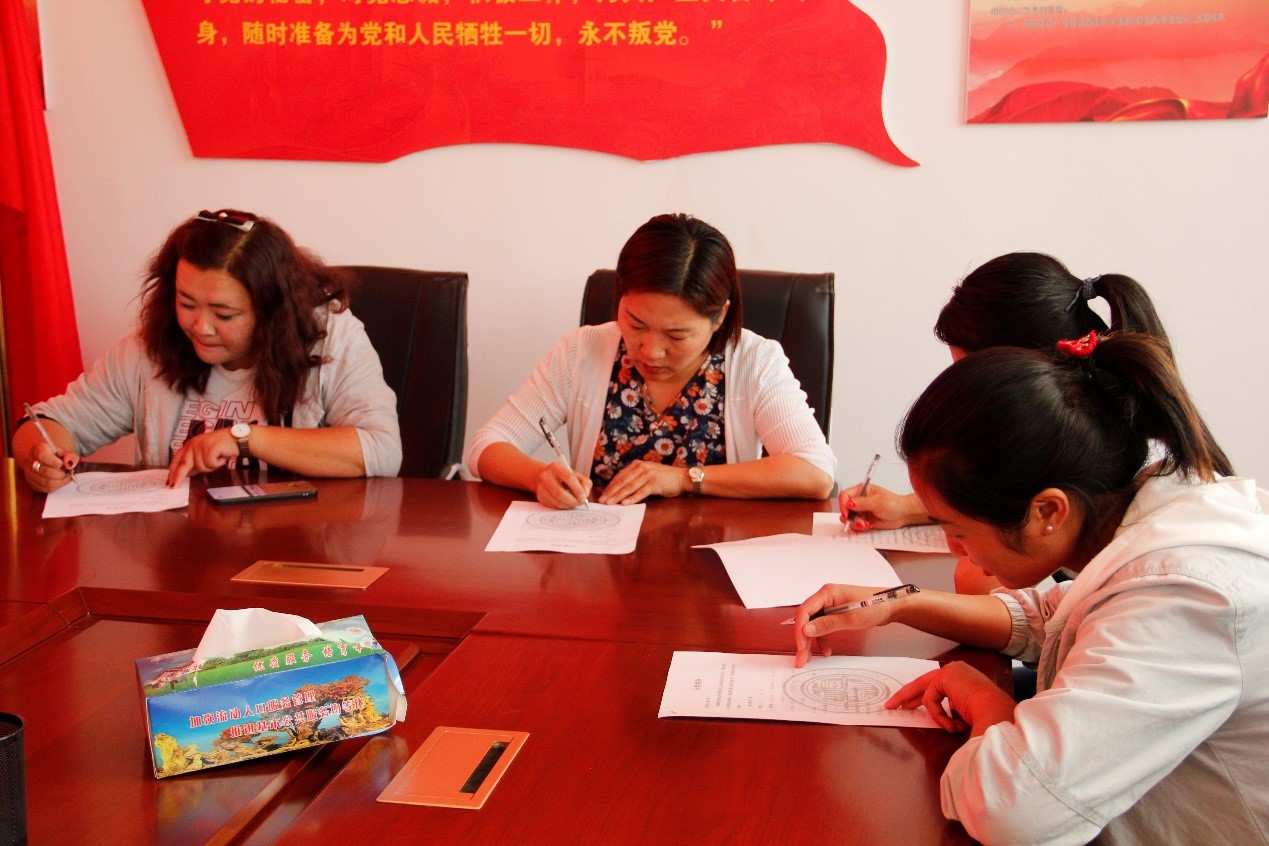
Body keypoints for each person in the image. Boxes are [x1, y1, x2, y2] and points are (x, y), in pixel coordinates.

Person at [793, 332, 1269, 845]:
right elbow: (1050, 618)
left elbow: (1012, 810)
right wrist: (897, 602)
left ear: (1046, 512)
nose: (953, 548)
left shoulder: (1184, 596)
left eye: (959, 531)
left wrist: (987, 701)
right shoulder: (1147, 518)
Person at [839, 251, 1232, 593]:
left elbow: (1000, 584)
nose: (964, 395)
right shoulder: (1108, 429)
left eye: (977, 378)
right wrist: (913, 509)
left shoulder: (1141, 547)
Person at [464, 213, 835, 508]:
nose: (649, 350)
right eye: (636, 324)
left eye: (676, 335)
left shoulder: (754, 361)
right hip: (598, 560)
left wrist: (685, 478)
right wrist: (537, 476)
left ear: (719, 317)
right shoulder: (582, 351)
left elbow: (814, 472)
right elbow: (486, 447)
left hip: (711, 561)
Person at [14, 209, 401, 491]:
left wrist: (244, 438)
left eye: (224, 314)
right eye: (186, 303)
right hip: (179, 552)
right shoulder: (151, 346)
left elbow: (382, 450)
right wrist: (41, 457)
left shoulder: (330, 337)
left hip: (297, 552)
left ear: (271, 312)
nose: (200, 326)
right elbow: (45, 425)